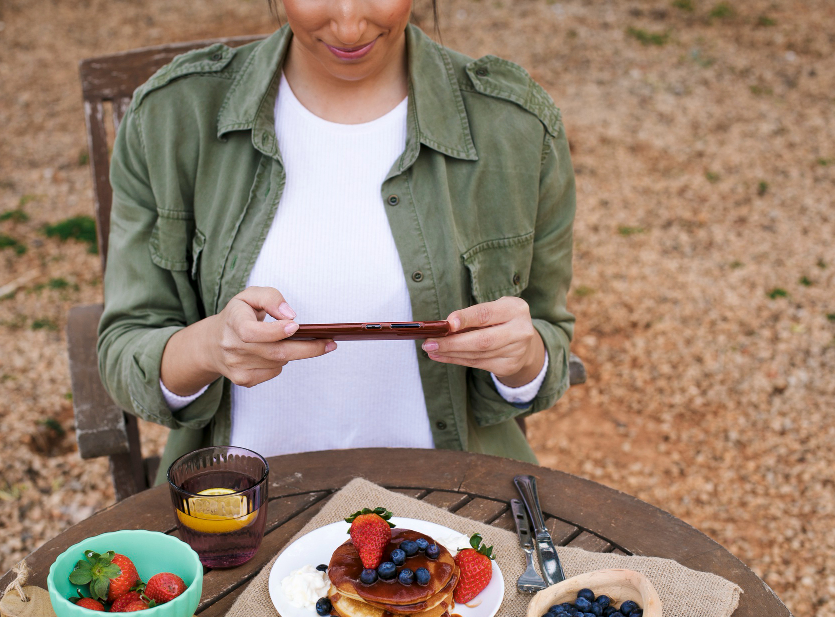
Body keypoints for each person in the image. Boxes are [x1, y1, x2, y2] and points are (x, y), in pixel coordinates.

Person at [97, 0, 576, 484]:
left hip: (455, 509)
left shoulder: (516, 125)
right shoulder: (171, 117)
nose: (349, 25)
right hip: (237, 520)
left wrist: (523, 357)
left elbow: (545, 345)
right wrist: (209, 347)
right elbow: (124, 350)